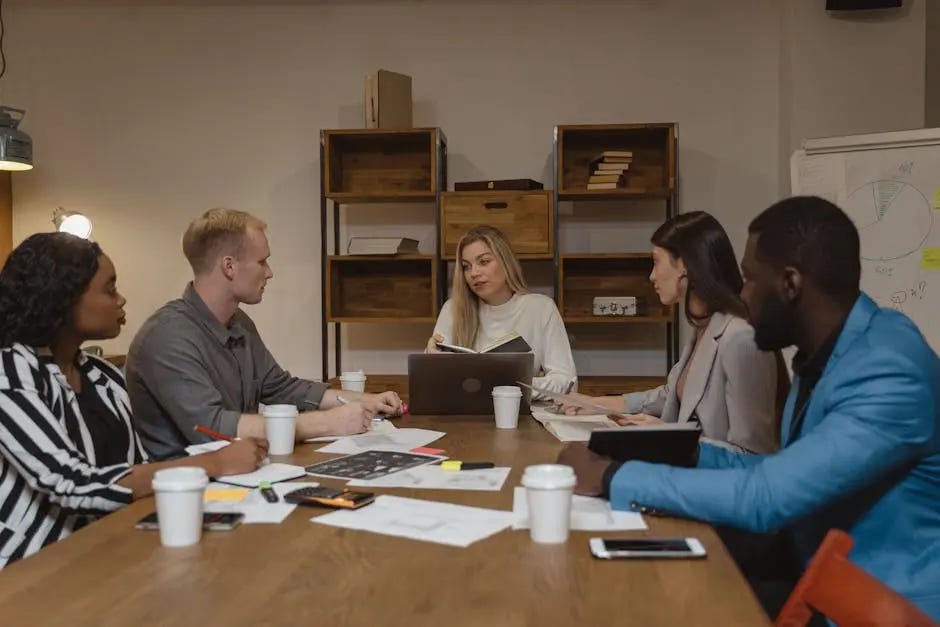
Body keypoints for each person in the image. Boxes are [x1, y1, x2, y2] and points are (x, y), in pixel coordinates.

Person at [558, 196, 940, 619]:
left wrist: (612, 476)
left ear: (790, 284)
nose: (741, 296)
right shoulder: (827, 355)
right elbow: (774, 470)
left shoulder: (888, 369)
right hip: (810, 569)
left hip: (877, 606)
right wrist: (670, 450)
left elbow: (766, 495)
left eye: (750, 280)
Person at [0, 233, 266, 569]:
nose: (121, 300)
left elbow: (135, 469)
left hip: (109, 548)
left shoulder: (102, 375)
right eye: (109, 289)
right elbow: (73, 485)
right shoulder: (10, 372)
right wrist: (215, 463)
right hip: (32, 567)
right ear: (63, 298)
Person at [126, 208, 403, 460]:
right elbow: (211, 427)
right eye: (262, 262)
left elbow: (280, 388)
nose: (269, 273)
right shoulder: (167, 338)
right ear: (229, 266)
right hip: (187, 490)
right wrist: (327, 423)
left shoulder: (239, 322)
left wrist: (363, 400)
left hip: (243, 473)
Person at [559, 211, 786, 454]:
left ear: (685, 265)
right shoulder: (704, 327)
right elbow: (670, 396)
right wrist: (599, 404)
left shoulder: (741, 338)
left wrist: (666, 436)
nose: (651, 276)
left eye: (656, 262)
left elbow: (754, 455)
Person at [424, 225, 576, 396]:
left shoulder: (541, 308)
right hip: (464, 414)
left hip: (520, 413)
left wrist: (509, 389)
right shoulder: (453, 309)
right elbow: (432, 384)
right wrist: (432, 362)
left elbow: (566, 381)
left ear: (506, 261)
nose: (473, 273)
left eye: (484, 262)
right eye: (466, 266)